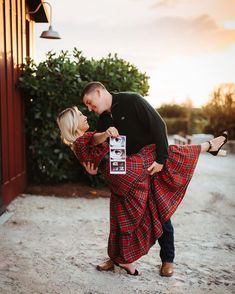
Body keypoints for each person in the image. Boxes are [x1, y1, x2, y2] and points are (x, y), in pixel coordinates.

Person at [57, 106, 228, 276]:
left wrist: (102, 150)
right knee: (162, 152)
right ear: (73, 123)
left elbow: (98, 154)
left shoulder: (82, 141)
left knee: (123, 218)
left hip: (120, 171)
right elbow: (95, 140)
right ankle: (208, 146)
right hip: (125, 171)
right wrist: (106, 134)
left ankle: (126, 259)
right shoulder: (81, 140)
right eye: (81, 114)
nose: (86, 114)